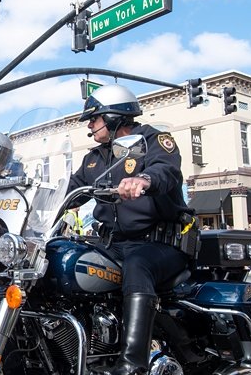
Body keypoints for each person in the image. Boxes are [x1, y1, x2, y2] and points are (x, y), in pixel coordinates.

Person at [66, 84, 189, 375]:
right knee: (67, 262)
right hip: (112, 244)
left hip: (160, 245)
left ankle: (133, 365)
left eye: (94, 119)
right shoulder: (95, 158)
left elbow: (167, 170)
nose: (90, 125)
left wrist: (144, 180)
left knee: (137, 266)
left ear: (114, 117)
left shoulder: (154, 140)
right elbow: (70, 191)